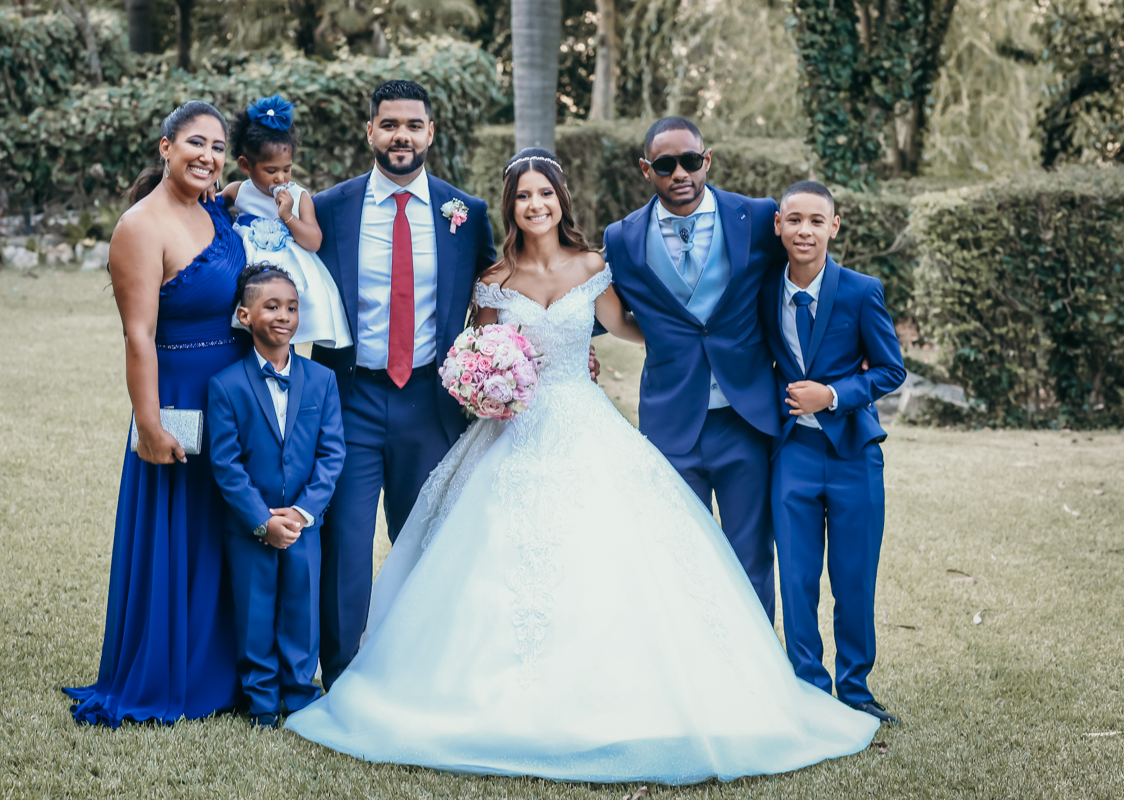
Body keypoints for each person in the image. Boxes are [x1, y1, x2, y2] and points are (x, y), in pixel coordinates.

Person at [284, 150, 880, 784]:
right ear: (510, 206)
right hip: (510, 435)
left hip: (584, 424)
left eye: (545, 193)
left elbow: (639, 329)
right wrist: (485, 383)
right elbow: (478, 351)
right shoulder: (494, 279)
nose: (535, 205)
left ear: (561, 200)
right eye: (523, 196)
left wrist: (706, 345)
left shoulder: (594, 267)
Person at [308, 80, 498, 688]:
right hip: (349, 398)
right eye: (389, 124)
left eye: (413, 125)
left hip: (431, 400)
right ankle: (342, 677)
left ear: (430, 133)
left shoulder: (464, 212)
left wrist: (553, 344)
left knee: (426, 540)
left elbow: (501, 289)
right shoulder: (329, 207)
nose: (401, 136)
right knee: (345, 542)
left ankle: (420, 674)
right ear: (370, 131)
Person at [64, 101, 246, 725]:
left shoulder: (214, 210)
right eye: (196, 143)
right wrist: (149, 424)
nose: (208, 156)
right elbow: (138, 335)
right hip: (180, 396)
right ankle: (175, 673)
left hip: (233, 393)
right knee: (183, 531)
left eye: (218, 147)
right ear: (165, 147)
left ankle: (230, 667)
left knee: (225, 526)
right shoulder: (140, 226)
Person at [601, 117, 785, 622]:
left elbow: (798, 282)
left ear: (707, 160)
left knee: (751, 555)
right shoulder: (621, 239)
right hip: (670, 420)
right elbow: (592, 310)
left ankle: (755, 662)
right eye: (665, 165)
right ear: (646, 169)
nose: (679, 173)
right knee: (679, 556)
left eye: (689, 161)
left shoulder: (756, 217)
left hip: (745, 416)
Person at [758, 181, 906, 725]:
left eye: (816, 221)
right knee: (797, 578)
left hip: (853, 455)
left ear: (834, 227)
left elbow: (891, 369)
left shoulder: (861, 291)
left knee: (853, 577)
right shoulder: (762, 290)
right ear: (778, 225)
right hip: (792, 452)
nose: (805, 231)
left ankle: (856, 688)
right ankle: (809, 686)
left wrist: (834, 395)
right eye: (794, 220)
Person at [207, 264, 346, 730]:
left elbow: (332, 453)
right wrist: (261, 520)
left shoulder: (322, 380)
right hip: (251, 526)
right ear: (245, 315)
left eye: (292, 307)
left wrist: (304, 512)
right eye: (271, 307)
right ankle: (262, 702)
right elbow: (226, 464)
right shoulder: (225, 385)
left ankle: (302, 695)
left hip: (304, 524)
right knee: (255, 613)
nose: (284, 316)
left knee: (302, 611)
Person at [222, 95, 351, 349]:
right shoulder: (238, 191)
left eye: (287, 169)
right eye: (271, 171)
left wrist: (288, 216)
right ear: (246, 165)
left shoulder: (299, 195)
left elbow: (313, 241)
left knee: (284, 328)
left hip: (290, 276)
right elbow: (211, 209)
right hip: (250, 272)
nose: (281, 178)